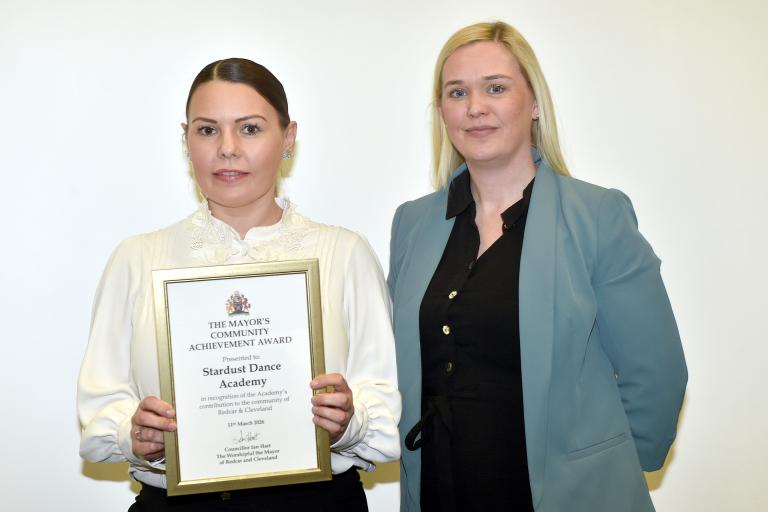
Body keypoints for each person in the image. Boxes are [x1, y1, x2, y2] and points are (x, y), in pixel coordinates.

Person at [388, 21, 687, 512]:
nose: (475, 107)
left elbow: (656, 373)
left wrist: (606, 472)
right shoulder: (413, 224)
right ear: (441, 112)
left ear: (534, 104)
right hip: (443, 488)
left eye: (496, 88)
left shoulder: (597, 216)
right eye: (457, 92)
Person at [78, 58, 400, 511]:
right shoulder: (137, 260)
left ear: (287, 138)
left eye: (249, 129)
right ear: (186, 139)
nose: (227, 149)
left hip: (317, 503)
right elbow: (100, 409)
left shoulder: (344, 255)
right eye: (207, 130)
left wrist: (350, 421)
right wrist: (132, 433)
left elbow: (382, 409)